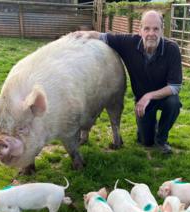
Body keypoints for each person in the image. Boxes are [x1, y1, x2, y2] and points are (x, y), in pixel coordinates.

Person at [76, 10, 182, 154]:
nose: (151, 33)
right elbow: (101, 36)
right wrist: (80, 35)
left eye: (156, 29)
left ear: (162, 30)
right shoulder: (129, 43)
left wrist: (148, 96)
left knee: (173, 103)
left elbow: (175, 87)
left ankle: (162, 139)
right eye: (147, 28)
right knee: (145, 141)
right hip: (143, 105)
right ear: (140, 30)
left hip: (163, 97)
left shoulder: (172, 49)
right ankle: (148, 129)